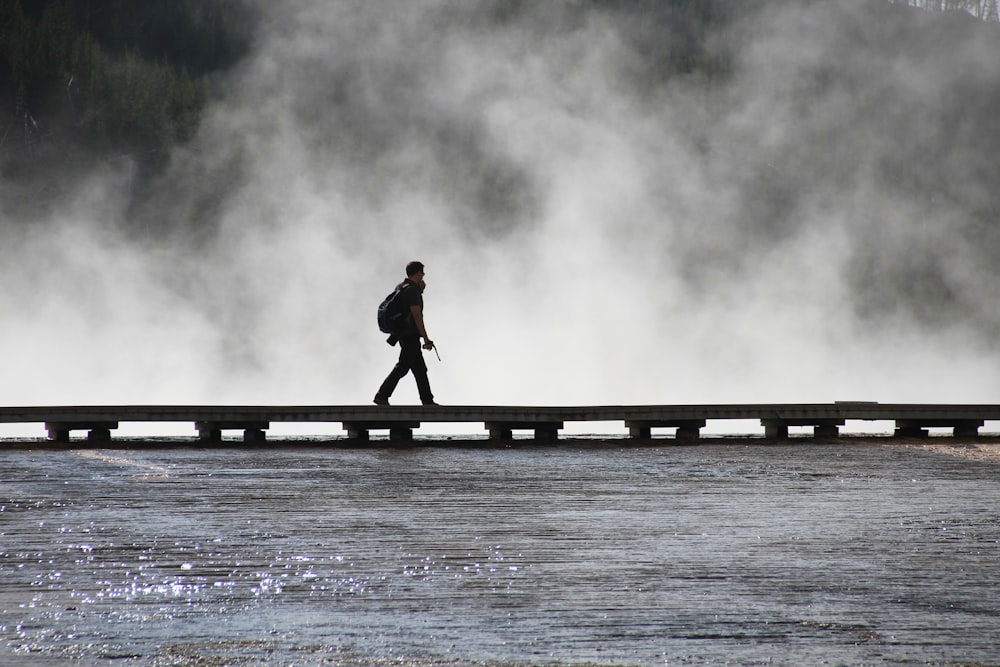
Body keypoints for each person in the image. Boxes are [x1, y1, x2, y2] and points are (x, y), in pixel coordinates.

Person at [374, 261, 437, 406]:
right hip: (410, 335)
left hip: (402, 334)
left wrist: (420, 291)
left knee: (420, 369)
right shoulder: (412, 291)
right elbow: (416, 316)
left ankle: (427, 400)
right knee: (402, 367)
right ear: (418, 273)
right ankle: (381, 395)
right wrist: (426, 339)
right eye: (422, 273)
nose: (423, 277)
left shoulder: (401, 287)